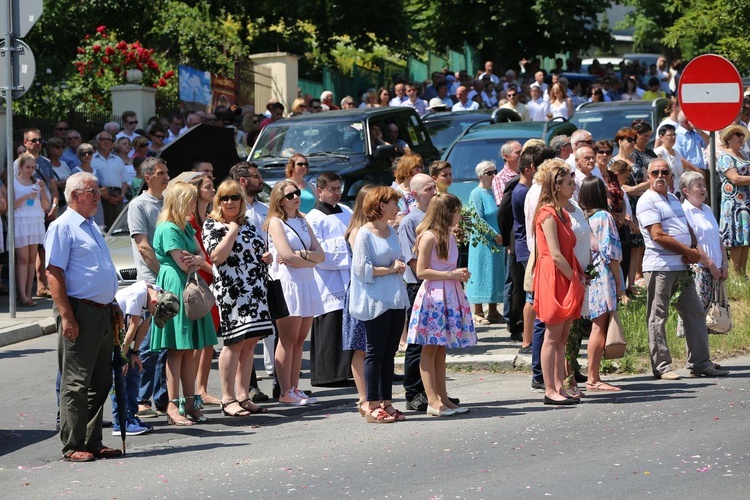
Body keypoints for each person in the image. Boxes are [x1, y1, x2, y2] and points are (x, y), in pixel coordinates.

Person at [45, 171, 123, 462]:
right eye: (91, 191)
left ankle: (92, 440)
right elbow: (53, 273)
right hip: (80, 311)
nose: (97, 196)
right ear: (74, 195)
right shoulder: (62, 226)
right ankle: (73, 443)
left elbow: (99, 269)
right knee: (76, 382)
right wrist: (67, 316)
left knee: (101, 380)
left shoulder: (90, 225)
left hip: (102, 312)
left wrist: (112, 301)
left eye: (97, 191)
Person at [636, 159, 728, 379]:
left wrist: (693, 247)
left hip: (681, 265)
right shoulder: (647, 201)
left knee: (694, 311)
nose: (659, 175)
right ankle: (662, 367)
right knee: (658, 316)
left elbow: (687, 228)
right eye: (654, 172)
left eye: (664, 172)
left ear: (670, 176)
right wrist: (689, 252)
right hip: (660, 266)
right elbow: (657, 235)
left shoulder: (673, 199)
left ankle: (700, 362)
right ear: (648, 176)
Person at [203, 179, 275, 416]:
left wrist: (266, 257)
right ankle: (227, 398)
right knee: (233, 344)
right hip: (233, 293)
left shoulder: (248, 223)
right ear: (218, 201)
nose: (230, 202)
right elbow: (216, 257)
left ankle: (243, 395)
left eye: (235, 197)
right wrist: (231, 231)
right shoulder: (213, 225)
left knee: (250, 343)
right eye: (224, 198)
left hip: (255, 289)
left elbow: (256, 250)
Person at [150, 181, 218, 426]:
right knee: (177, 350)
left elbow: (200, 256)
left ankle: (190, 403)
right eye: (189, 199)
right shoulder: (168, 228)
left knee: (188, 349)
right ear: (178, 201)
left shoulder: (186, 227)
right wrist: (196, 260)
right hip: (176, 287)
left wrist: (197, 259)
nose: (193, 204)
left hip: (189, 286)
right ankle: (172, 404)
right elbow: (184, 262)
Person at [407, 193, 476, 417]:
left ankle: (443, 397)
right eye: (457, 211)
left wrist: (458, 275)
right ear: (449, 213)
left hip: (448, 292)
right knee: (429, 347)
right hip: (434, 296)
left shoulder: (448, 235)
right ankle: (432, 400)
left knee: (440, 348)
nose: (459, 216)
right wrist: (451, 273)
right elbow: (421, 271)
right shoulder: (428, 237)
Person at [349, 186, 410, 423]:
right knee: (374, 352)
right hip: (375, 300)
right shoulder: (365, 233)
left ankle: (387, 401)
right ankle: (371, 403)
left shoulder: (390, 231)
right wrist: (391, 269)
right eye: (394, 203)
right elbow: (361, 270)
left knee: (389, 353)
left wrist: (399, 265)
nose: (398, 207)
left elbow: (398, 257)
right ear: (381, 205)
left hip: (394, 298)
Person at [265, 181, 325, 405]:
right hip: (288, 282)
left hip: (306, 281)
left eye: (297, 193)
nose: (295, 197)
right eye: (290, 195)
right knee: (287, 338)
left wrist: (303, 256)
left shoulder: (302, 219)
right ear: (280, 200)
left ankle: (295, 387)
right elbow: (286, 256)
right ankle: (284, 391)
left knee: (300, 339)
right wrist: (308, 259)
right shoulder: (275, 222)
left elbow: (320, 254)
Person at [532, 161, 585, 405]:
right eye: (569, 184)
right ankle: (549, 389)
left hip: (565, 274)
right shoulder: (547, 214)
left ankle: (559, 386)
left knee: (563, 335)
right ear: (556, 186)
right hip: (553, 276)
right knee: (552, 336)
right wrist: (574, 277)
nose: (573, 187)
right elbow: (553, 253)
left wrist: (578, 273)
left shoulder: (563, 213)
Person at [111, 281, 179, 436]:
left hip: (125, 339)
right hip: (114, 335)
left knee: (133, 371)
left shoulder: (156, 293)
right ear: (155, 303)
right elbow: (133, 327)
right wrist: (122, 357)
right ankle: (121, 422)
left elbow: (145, 325)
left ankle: (132, 416)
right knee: (120, 379)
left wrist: (135, 353)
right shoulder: (139, 295)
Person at [306, 172, 354, 386]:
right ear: (320, 191)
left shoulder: (347, 211)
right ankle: (326, 375)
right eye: (332, 189)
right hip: (327, 280)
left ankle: (345, 371)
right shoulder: (313, 219)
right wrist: (345, 250)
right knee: (330, 326)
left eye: (338, 188)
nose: (337, 193)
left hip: (349, 277)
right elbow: (317, 252)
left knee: (347, 324)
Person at [578, 176, 624, 391]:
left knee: (591, 326)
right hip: (603, 275)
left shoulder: (582, 218)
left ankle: (589, 374)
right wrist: (620, 284)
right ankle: (593, 376)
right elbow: (612, 254)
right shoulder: (604, 217)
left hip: (588, 275)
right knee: (599, 326)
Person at [398, 174, 438, 412]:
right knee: (417, 341)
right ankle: (414, 391)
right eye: (428, 188)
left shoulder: (436, 215)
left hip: (438, 285)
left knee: (434, 340)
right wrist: (430, 276)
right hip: (419, 285)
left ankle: (433, 389)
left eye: (434, 187)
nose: (434, 191)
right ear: (414, 194)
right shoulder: (410, 221)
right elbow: (412, 260)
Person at [677, 171, 729, 337]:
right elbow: (694, 243)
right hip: (699, 269)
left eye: (703, 185)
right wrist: (710, 264)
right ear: (686, 191)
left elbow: (717, 237)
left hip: (715, 270)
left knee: (709, 317)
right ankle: (696, 358)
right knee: (695, 315)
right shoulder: (685, 211)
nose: (703, 189)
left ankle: (705, 358)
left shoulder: (706, 209)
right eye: (698, 186)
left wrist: (724, 264)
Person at [186, 173, 221, 407]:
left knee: (209, 339)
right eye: (208, 187)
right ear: (197, 191)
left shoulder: (211, 218)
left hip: (212, 282)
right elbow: (192, 258)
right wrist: (210, 268)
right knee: (196, 340)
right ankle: (193, 392)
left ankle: (203, 389)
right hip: (198, 284)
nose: (213, 190)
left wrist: (211, 269)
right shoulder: (189, 221)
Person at [343, 185, 374, 412]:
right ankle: (363, 396)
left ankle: (374, 393)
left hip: (375, 291)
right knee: (361, 347)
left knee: (373, 346)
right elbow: (361, 265)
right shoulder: (357, 230)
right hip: (361, 292)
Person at [465, 161, 505, 325]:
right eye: (489, 173)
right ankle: (478, 311)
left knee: (495, 273)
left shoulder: (495, 192)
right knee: (481, 272)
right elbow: (477, 219)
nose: (493, 175)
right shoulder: (476, 193)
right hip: (483, 242)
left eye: (495, 171)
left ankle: (494, 310)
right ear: (481, 175)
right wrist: (494, 235)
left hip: (498, 240)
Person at [14, 153, 51, 307]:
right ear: (20, 167)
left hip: (35, 221)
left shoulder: (37, 182)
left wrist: (42, 191)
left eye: (32, 167)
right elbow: (11, 206)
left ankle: (28, 294)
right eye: (27, 167)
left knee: (31, 259)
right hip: (21, 221)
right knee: (22, 259)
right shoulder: (14, 182)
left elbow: (45, 206)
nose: (30, 170)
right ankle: (22, 294)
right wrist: (25, 196)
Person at [716, 124, 750, 277]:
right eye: (737, 135)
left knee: (745, 239)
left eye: (741, 135)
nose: (741, 138)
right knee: (736, 239)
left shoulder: (743, 155)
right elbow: (735, 178)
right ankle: (736, 276)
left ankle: (742, 274)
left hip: (745, 203)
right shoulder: (725, 157)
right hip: (734, 204)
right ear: (729, 139)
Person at [392, 154, 423, 218]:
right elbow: (401, 218)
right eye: (416, 167)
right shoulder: (399, 191)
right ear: (406, 168)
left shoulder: (424, 187)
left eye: (420, 167)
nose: (419, 170)